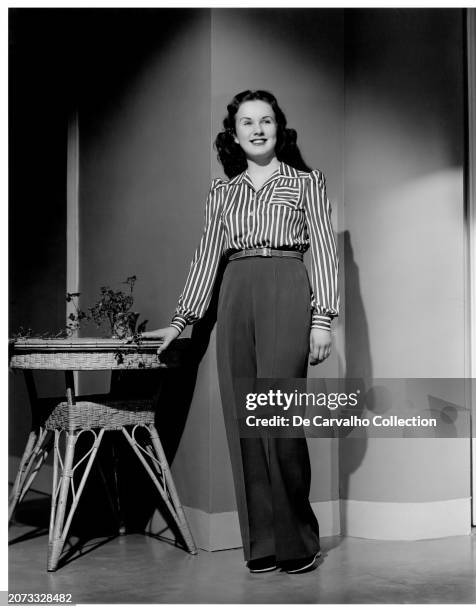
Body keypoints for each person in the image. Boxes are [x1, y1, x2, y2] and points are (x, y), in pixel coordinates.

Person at [140, 90, 339, 574]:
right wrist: (183, 319)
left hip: (287, 284)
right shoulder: (222, 192)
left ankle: (298, 540)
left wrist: (321, 318)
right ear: (234, 134)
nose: (257, 129)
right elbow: (207, 256)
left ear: (279, 127)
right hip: (235, 290)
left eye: (265, 120)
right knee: (245, 421)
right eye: (246, 122)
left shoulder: (306, 182)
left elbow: (327, 252)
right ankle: (264, 544)